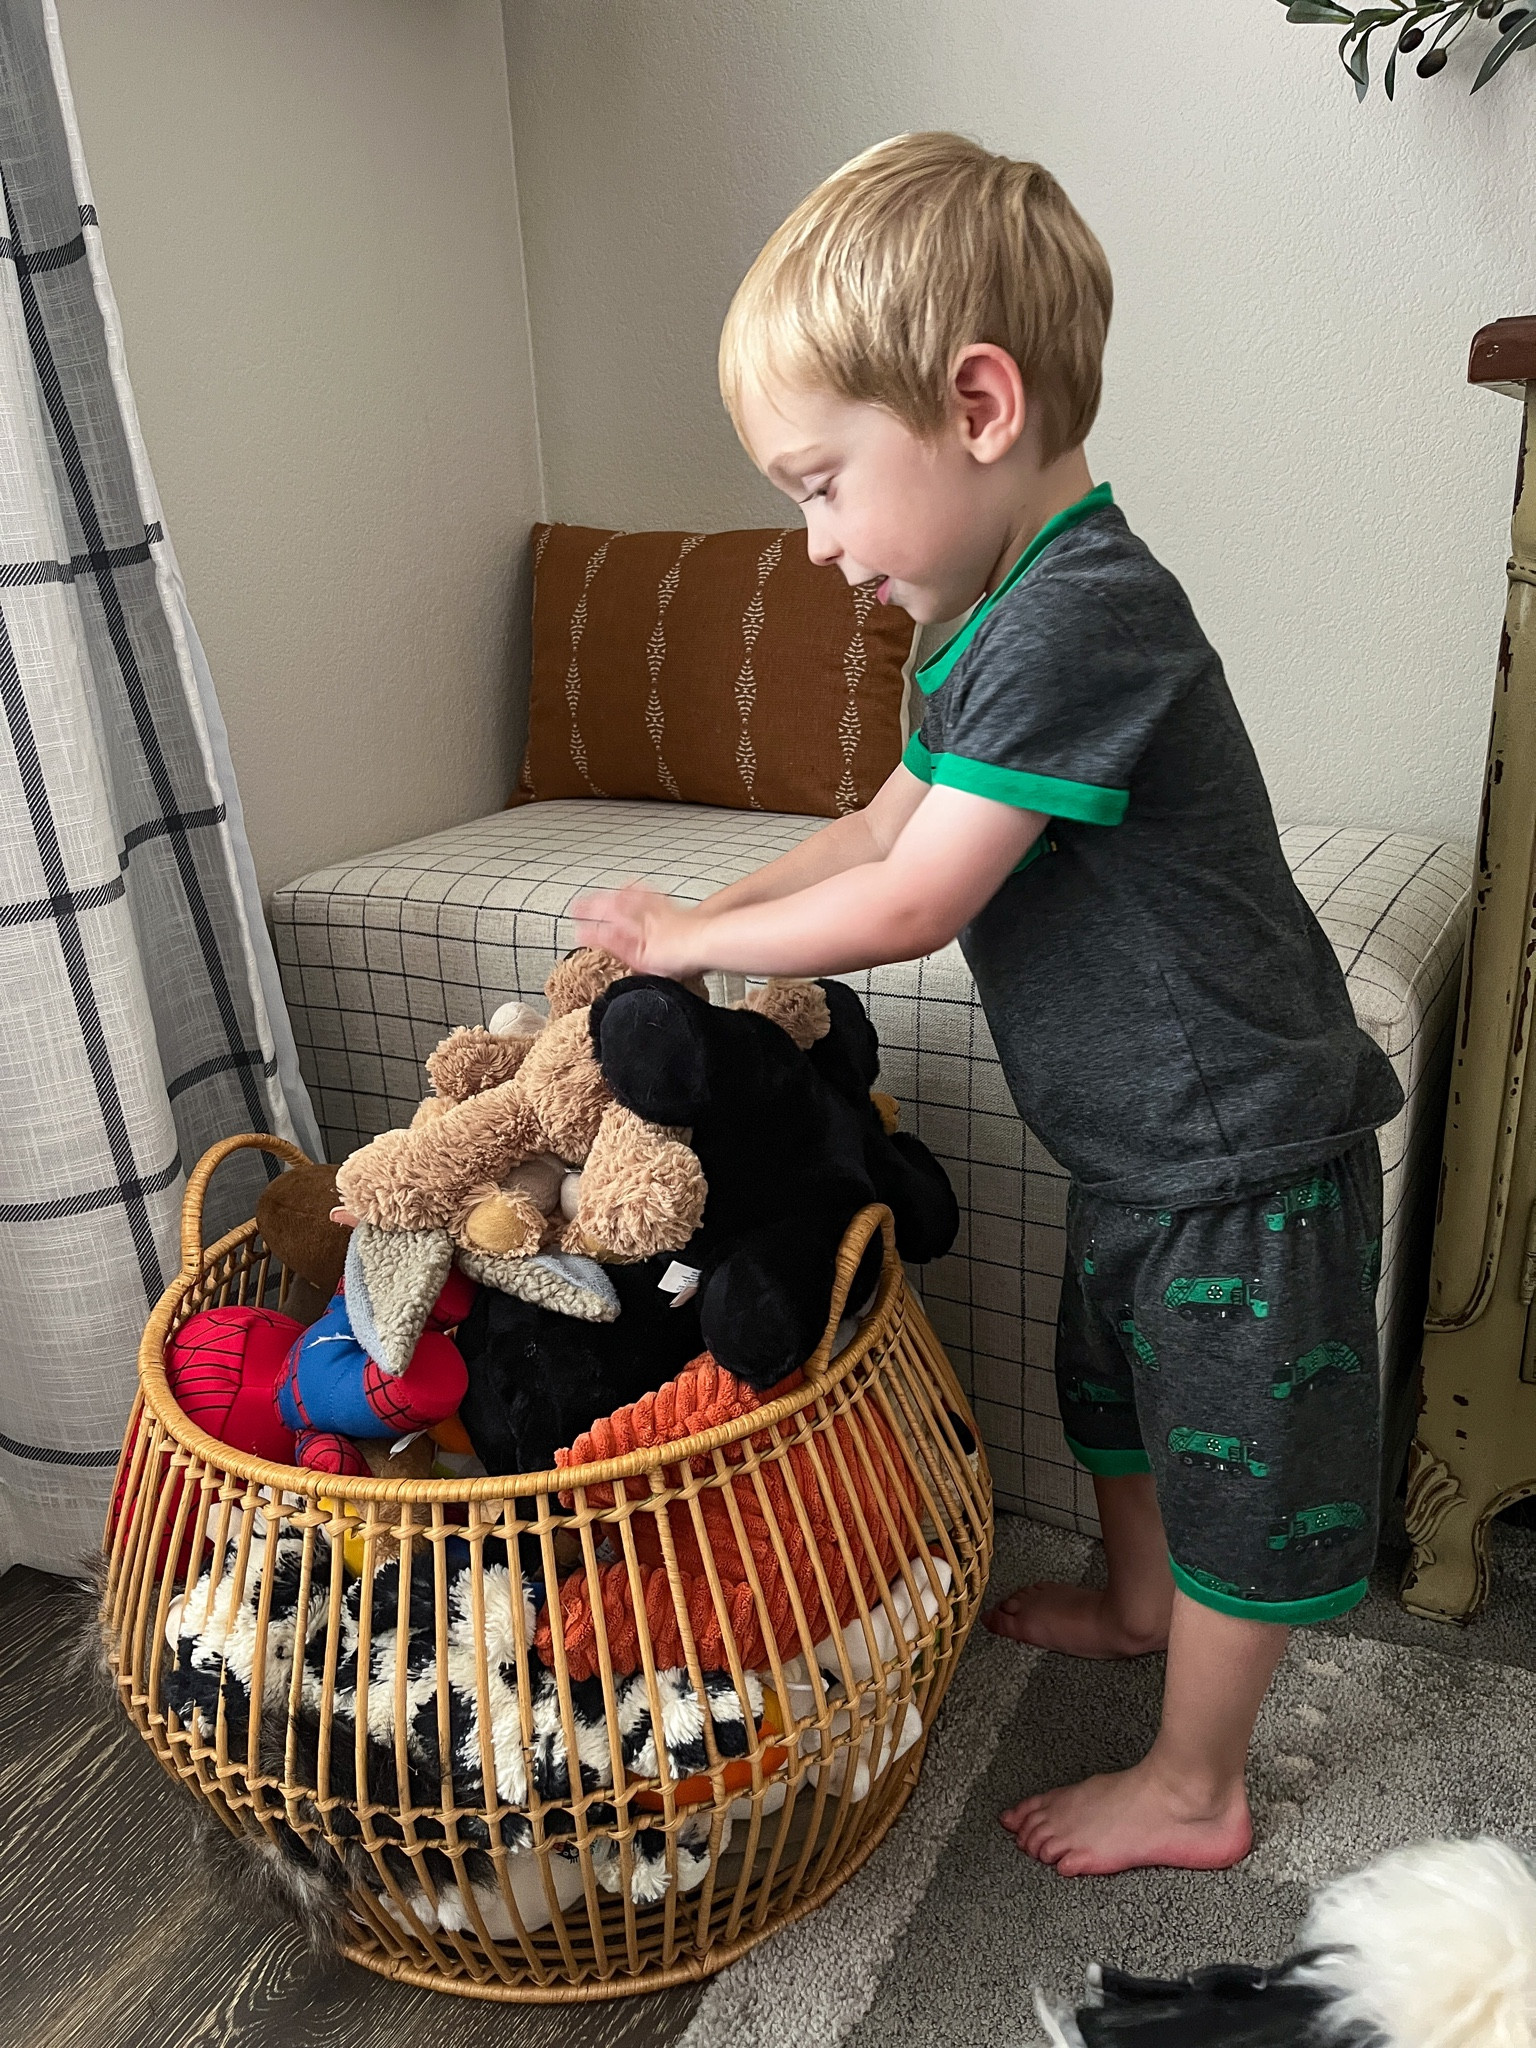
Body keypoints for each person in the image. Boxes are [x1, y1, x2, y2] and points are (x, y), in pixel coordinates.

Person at [572, 131, 1401, 1879]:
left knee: (1239, 1466)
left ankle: (1199, 1783)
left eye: (817, 484)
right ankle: (1128, 1598)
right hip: (1142, 1140)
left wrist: (688, 955)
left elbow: (920, 897)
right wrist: (700, 920)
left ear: (979, 403)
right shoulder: (983, 620)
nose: (808, 546)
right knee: (1108, 1390)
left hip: (1246, 1150)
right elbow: (883, 823)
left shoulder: (1089, 612)